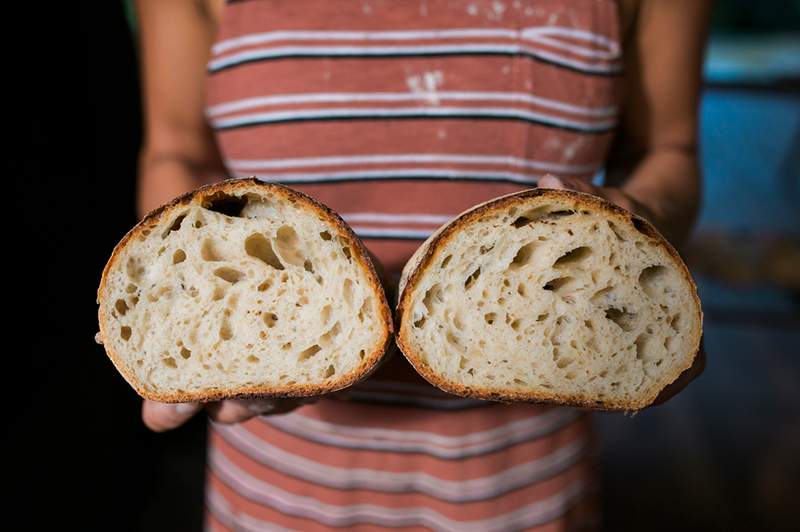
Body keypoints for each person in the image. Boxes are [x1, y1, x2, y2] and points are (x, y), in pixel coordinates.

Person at [135, 0, 709, 529]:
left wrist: (640, 218)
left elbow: (667, 149)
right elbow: (177, 150)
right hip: (276, 484)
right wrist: (187, 302)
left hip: (521, 487)